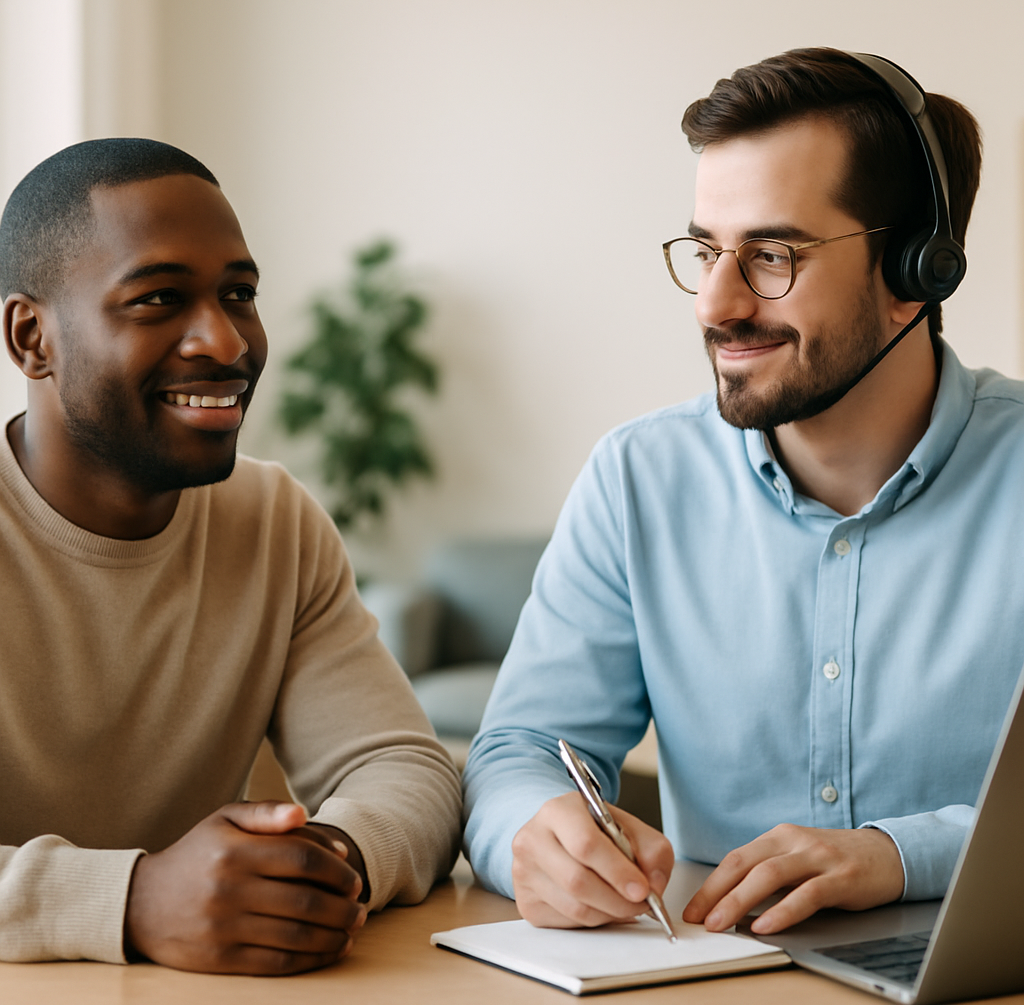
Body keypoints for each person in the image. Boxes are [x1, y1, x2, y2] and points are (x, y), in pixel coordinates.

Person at [462, 48, 1024, 937]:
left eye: (771, 254)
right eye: (704, 250)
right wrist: (536, 834)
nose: (715, 304)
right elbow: (520, 753)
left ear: (919, 271)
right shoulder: (638, 479)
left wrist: (898, 855)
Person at [0, 138, 461, 973]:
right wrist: (133, 900)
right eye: (159, 299)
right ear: (33, 337)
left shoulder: (273, 518)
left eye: (239, 294)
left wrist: (325, 863)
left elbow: (402, 767)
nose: (225, 341)